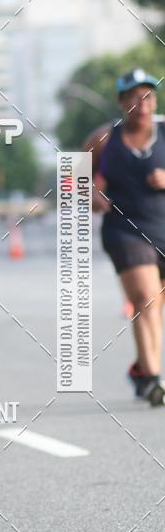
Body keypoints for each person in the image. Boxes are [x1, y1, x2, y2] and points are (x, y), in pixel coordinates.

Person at [84, 68, 165, 405]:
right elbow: (73, 179)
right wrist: (92, 196)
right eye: (133, 95)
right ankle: (154, 381)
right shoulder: (103, 139)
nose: (141, 101)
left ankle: (142, 370)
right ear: (121, 102)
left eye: (147, 94)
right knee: (145, 299)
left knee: (156, 306)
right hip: (124, 230)